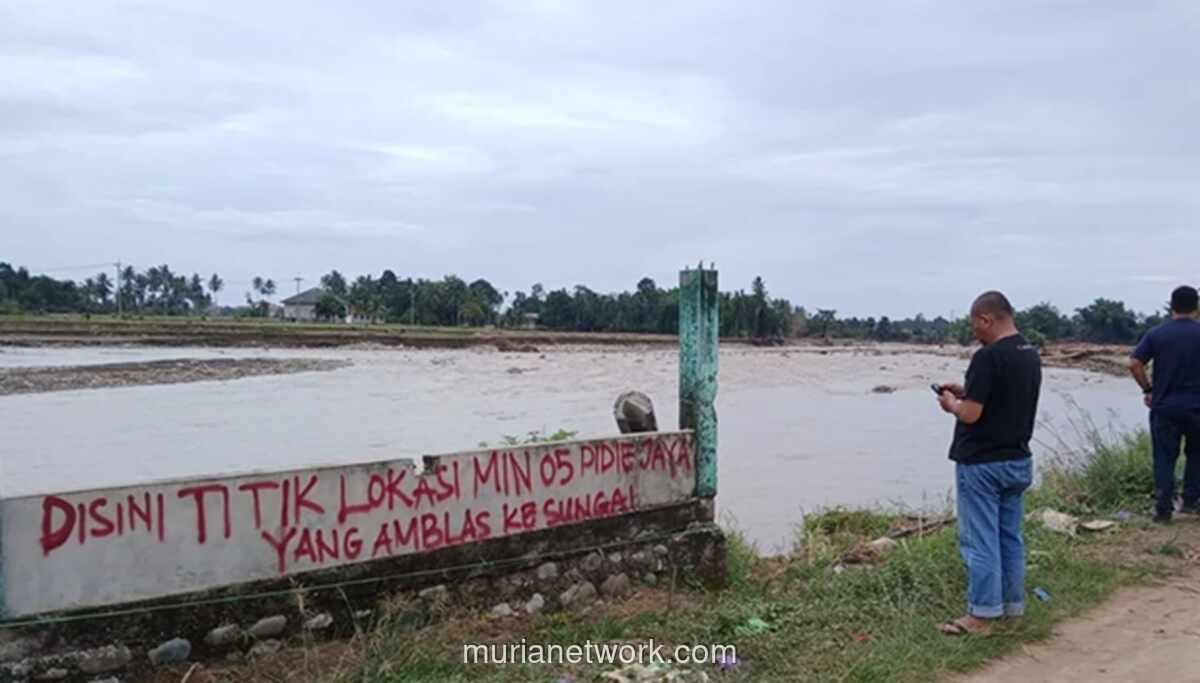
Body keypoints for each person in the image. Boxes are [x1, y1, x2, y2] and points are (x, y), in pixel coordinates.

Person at [935, 291, 1042, 636]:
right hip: (1017, 459)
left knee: (979, 540)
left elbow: (971, 414)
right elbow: (1000, 397)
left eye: (974, 325)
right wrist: (967, 390)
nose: (974, 332)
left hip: (982, 463)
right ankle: (1011, 608)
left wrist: (952, 404)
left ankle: (981, 616)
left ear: (986, 319)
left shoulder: (988, 357)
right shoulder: (1029, 353)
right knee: (1009, 537)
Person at [1129, 285, 1200, 524]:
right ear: (1196, 307)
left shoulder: (1157, 334)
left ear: (1172, 306)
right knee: (1197, 455)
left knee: (1164, 458)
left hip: (1165, 407)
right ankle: (1191, 502)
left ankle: (1163, 509)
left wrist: (1147, 389)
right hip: (1197, 407)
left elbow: (1134, 363)